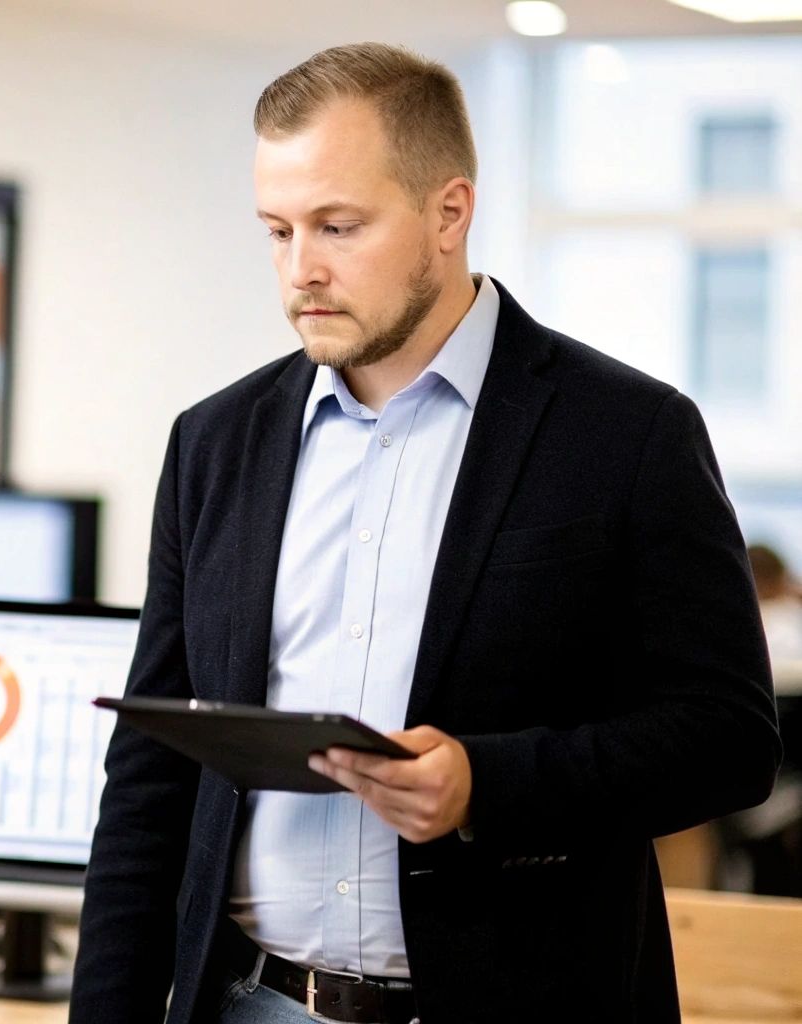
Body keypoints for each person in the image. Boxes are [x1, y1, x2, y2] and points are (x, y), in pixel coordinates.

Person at [71, 43, 780, 1024]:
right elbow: (150, 780)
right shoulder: (213, 443)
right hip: (249, 1002)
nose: (299, 270)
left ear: (448, 212)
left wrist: (486, 784)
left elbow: (725, 740)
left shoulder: (624, 434)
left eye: (337, 226)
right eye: (275, 231)